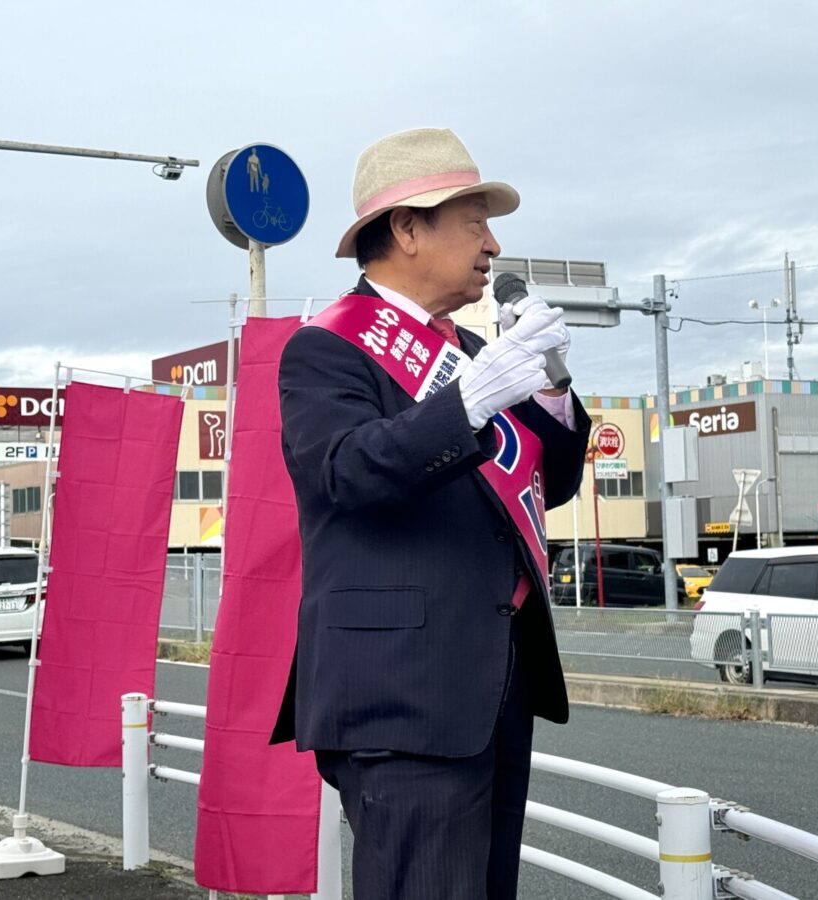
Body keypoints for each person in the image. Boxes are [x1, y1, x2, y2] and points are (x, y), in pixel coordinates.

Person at [271, 127, 590, 899]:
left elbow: (552, 480)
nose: (493, 241)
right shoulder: (327, 349)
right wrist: (476, 396)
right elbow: (347, 471)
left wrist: (548, 386)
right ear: (408, 229)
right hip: (400, 690)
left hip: (492, 675)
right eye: (473, 219)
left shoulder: (473, 349)